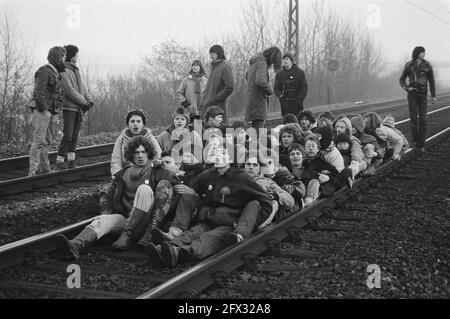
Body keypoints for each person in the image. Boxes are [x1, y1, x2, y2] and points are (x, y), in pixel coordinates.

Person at [54, 136, 180, 258]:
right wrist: (106, 212)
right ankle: (75, 245)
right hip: (126, 219)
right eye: (137, 152)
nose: (140, 155)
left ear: (149, 153)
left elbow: (176, 187)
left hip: (147, 225)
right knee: (103, 220)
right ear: (131, 154)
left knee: (144, 189)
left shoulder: (158, 171)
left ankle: (133, 234)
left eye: (143, 152)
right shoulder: (123, 174)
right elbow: (108, 193)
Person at [146, 147, 272, 267]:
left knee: (207, 239)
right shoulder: (208, 175)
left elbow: (265, 202)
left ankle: (180, 254)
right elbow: (192, 191)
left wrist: (248, 225)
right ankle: (168, 247)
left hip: (228, 224)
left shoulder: (242, 178)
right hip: (208, 219)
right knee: (192, 232)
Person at [28, 46, 66, 176]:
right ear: (57, 57)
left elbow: (58, 95)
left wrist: (56, 113)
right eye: (62, 57)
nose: (64, 60)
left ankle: (44, 169)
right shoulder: (44, 71)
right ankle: (33, 172)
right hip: (43, 111)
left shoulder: (56, 73)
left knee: (47, 141)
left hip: (52, 112)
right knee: (39, 141)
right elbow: (39, 92)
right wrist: (44, 110)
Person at [56, 45, 94, 170]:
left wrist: (89, 100)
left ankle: (71, 161)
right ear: (72, 57)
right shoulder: (64, 71)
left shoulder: (76, 70)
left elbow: (82, 87)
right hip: (69, 108)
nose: (78, 57)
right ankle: (60, 161)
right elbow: (69, 91)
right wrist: (84, 102)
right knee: (67, 135)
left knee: (74, 136)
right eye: (77, 55)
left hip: (78, 109)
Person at [399, 46, 436, 153]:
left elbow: (432, 81)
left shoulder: (427, 65)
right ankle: (415, 142)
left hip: (423, 95)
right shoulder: (409, 65)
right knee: (413, 119)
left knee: (423, 120)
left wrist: (433, 95)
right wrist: (407, 88)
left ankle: (421, 143)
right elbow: (401, 79)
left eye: (424, 52)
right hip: (412, 95)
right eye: (422, 52)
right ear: (417, 53)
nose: (424, 54)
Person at [110, 109, 161, 177]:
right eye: (132, 121)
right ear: (128, 124)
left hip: (148, 174)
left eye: (138, 121)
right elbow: (116, 160)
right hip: (126, 174)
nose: (135, 124)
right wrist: (118, 175)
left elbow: (158, 157)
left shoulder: (150, 138)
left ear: (143, 124)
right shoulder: (121, 139)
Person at [245, 46, 282, 130]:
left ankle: (260, 142)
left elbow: (247, 76)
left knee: (259, 128)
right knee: (260, 130)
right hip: (259, 100)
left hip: (251, 98)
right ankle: (261, 143)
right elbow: (260, 81)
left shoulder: (255, 62)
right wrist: (270, 90)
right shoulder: (262, 63)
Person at [201, 45, 234, 124]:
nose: (211, 55)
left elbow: (230, 87)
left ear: (219, 53)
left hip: (218, 105)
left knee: (221, 128)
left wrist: (216, 98)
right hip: (207, 105)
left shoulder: (224, 67)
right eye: (210, 53)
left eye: (214, 53)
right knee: (208, 130)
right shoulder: (212, 67)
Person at [274, 52, 308, 117]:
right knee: (287, 122)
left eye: (287, 59)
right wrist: (281, 96)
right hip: (285, 103)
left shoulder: (299, 72)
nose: (285, 61)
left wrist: (300, 98)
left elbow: (304, 87)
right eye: (283, 59)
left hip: (297, 103)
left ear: (291, 60)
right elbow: (276, 87)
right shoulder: (279, 74)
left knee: (298, 121)